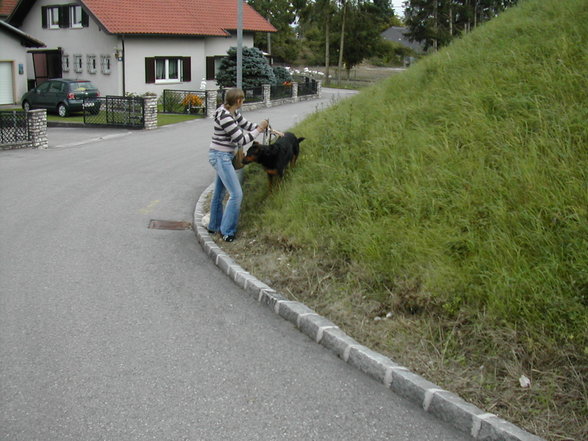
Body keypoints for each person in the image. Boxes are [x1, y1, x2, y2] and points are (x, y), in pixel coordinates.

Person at [207, 88, 269, 242]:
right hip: (220, 156)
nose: (244, 101)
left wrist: (261, 127)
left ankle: (214, 226)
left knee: (219, 194)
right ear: (238, 101)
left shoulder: (233, 113)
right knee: (236, 194)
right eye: (242, 99)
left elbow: (246, 125)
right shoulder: (225, 116)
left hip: (224, 155)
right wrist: (259, 129)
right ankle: (227, 231)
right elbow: (240, 140)